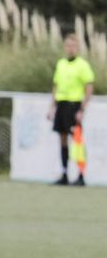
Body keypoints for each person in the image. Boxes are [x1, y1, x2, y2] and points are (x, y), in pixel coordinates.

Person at [50, 33, 94, 186]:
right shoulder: (61, 64)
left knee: (77, 141)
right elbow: (56, 86)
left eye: (73, 46)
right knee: (62, 140)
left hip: (74, 105)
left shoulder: (82, 65)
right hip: (61, 105)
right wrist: (52, 107)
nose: (70, 49)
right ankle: (64, 174)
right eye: (68, 45)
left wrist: (82, 109)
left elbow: (89, 87)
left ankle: (81, 175)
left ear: (78, 47)